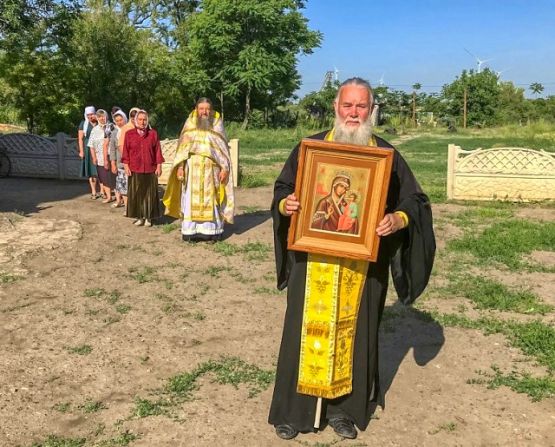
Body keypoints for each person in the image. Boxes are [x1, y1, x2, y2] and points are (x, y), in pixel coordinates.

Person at [269, 78, 436, 440]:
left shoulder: (385, 156)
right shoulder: (310, 149)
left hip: (363, 266)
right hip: (311, 263)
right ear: (335, 106)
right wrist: (288, 205)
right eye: (348, 105)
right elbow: (282, 189)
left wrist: (398, 219)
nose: (354, 113)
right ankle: (294, 412)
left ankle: (344, 411)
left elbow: (415, 200)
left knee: (354, 334)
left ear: (372, 109)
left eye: (362, 106)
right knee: (303, 331)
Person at [163, 97, 234, 242]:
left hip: (211, 170)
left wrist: (225, 168)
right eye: (201, 108)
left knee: (212, 200)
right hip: (192, 169)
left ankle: (212, 232)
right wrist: (180, 167)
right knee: (190, 199)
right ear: (196, 109)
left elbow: (223, 150)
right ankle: (191, 232)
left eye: (207, 109)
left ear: (211, 110)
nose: (204, 112)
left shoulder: (217, 124)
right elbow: (182, 149)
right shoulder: (189, 124)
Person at [122, 109, 164, 227]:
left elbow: (157, 151)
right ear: (135, 120)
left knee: (149, 194)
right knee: (137, 194)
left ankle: (149, 218)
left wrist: (159, 166)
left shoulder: (153, 134)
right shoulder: (129, 134)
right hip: (135, 168)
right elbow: (125, 151)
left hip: (150, 168)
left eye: (144, 119)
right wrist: (126, 165)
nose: (142, 122)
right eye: (140, 119)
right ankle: (140, 217)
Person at [88, 109, 115, 203]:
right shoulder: (94, 130)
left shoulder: (111, 127)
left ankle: (118, 196)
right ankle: (108, 197)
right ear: (97, 118)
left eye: (103, 116)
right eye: (99, 116)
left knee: (113, 176)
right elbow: (91, 145)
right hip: (99, 157)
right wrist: (94, 157)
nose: (102, 118)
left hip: (111, 156)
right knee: (103, 177)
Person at [78, 106, 99, 199]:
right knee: (91, 171)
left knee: (100, 170)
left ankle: (103, 191)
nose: (90, 116)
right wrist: (81, 151)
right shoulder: (83, 124)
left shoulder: (99, 122)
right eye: (88, 115)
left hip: (99, 148)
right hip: (88, 148)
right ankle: (94, 191)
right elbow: (80, 139)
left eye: (92, 114)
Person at [109, 110, 128, 208]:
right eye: (117, 121)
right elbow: (112, 150)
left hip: (131, 164)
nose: (119, 122)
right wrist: (113, 163)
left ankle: (131, 206)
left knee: (130, 186)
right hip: (120, 164)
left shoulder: (130, 130)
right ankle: (127, 207)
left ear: (125, 119)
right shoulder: (114, 133)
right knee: (123, 186)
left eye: (121, 120)